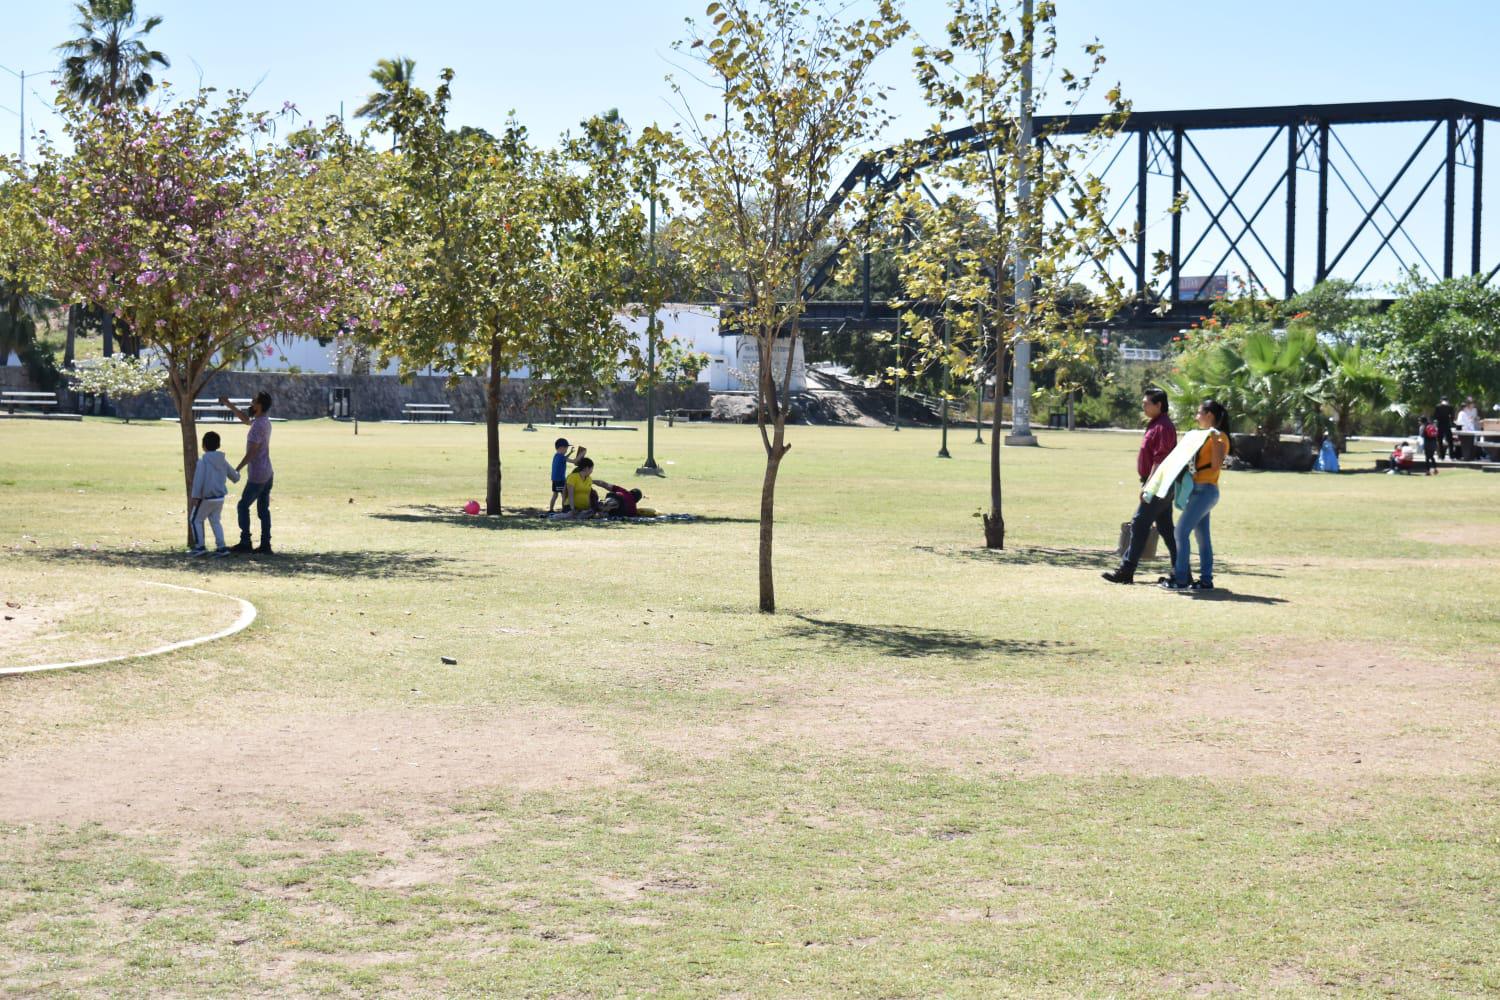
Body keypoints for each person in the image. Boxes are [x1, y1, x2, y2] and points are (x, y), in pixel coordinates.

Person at [1102, 388, 1179, 585]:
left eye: (1146, 403)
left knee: (1139, 523)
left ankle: (1126, 571)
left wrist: (1149, 486)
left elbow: (1160, 459)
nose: (1143, 406)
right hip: (1158, 482)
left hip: (1158, 483)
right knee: (1166, 528)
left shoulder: (1163, 427)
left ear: (1158, 405)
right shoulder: (1156, 424)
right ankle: (1181, 569)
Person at [1162, 399, 1230, 592]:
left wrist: (1215, 438)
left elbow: (1216, 464)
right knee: (1202, 537)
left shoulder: (1220, 437)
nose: (1196, 417)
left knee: (1180, 531)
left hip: (1206, 491)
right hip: (1197, 491)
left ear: (1209, 415)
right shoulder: (1201, 436)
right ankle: (1206, 581)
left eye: (1199, 413)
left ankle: (1181, 579)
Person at [222, 391, 274, 554]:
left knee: (243, 506)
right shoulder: (264, 421)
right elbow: (246, 420)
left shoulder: (258, 426)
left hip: (258, 475)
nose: (252, 402)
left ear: (259, 405)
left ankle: (245, 542)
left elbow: (252, 452)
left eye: (254, 401)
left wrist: (236, 469)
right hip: (268, 473)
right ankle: (265, 544)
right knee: (263, 510)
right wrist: (228, 404)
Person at [188, 431, 240, 557]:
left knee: (195, 520)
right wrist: (238, 473)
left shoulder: (203, 461)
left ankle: (200, 546)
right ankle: (221, 547)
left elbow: (198, 480)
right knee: (215, 521)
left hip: (206, 498)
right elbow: (235, 477)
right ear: (218, 445)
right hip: (219, 498)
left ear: (203, 445)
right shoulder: (223, 460)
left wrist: (195, 496)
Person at [547, 438, 573, 514]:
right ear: (561, 448)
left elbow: (565, 458)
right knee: (564, 495)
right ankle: (564, 510)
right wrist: (581, 455)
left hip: (555, 479)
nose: (566, 450)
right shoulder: (562, 457)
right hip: (560, 480)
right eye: (566, 449)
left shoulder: (557, 455)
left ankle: (551, 509)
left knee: (555, 494)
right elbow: (574, 461)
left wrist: (570, 453)